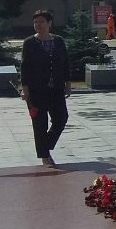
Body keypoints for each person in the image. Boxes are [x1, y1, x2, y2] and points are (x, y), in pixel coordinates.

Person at [20, 9, 71, 166]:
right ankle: (45, 157)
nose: (38, 25)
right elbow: (25, 67)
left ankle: (45, 146)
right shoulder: (29, 43)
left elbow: (65, 63)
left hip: (56, 89)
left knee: (61, 118)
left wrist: (68, 83)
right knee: (40, 124)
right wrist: (25, 89)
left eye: (41, 21)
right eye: (35, 22)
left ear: (49, 23)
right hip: (36, 91)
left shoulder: (58, 41)